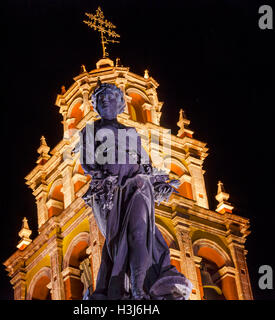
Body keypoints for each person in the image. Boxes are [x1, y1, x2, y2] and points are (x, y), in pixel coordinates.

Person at [79, 82, 192, 300]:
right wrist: (105, 176)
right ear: (95, 106)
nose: (105, 102)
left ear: (120, 103)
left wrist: (160, 183)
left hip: (139, 184)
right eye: (101, 99)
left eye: (111, 98)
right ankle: (125, 288)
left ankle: (140, 289)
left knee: (140, 234)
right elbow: (88, 163)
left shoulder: (130, 131)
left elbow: (145, 162)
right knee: (116, 244)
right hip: (113, 191)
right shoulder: (90, 131)